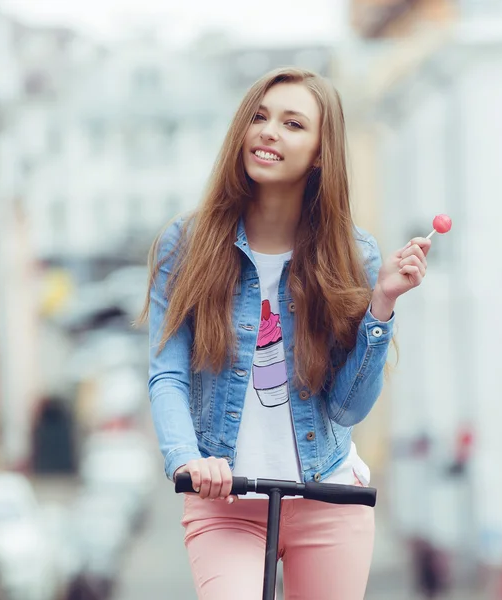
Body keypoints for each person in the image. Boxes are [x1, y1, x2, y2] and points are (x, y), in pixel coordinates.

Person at [139, 67, 431, 599]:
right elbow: (168, 375)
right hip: (223, 503)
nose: (268, 131)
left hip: (328, 497)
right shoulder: (186, 245)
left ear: (321, 152)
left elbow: (346, 409)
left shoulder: (353, 255)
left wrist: (381, 306)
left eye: (293, 124)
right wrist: (187, 458)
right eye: (259, 116)